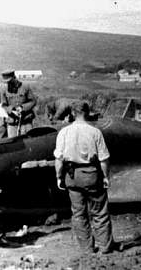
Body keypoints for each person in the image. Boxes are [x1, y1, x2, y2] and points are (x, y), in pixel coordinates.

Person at [54, 100, 116, 254]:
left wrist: (59, 177)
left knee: (78, 214)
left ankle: (87, 248)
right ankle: (105, 247)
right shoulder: (95, 132)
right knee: (100, 212)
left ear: (72, 114)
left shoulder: (64, 132)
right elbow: (103, 159)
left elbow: (59, 159)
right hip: (92, 175)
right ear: (87, 113)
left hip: (72, 177)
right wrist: (105, 177)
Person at [0, 70, 37, 137]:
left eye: (9, 81)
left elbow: (33, 101)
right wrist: (11, 110)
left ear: (14, 77)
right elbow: (3, 105)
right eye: (6, 82)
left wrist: (22, 108)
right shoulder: (3, 89)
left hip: (26, 121)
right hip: (12, 122)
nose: (8, 84)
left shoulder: (25, 86)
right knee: (14, 145)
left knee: (28, 140)